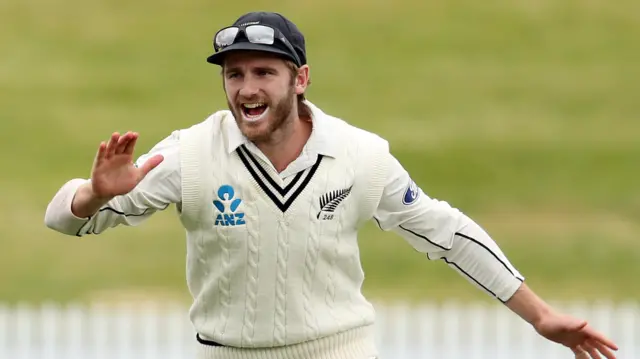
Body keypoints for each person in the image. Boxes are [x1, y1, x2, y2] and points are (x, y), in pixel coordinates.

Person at [44, 11, 618, 359]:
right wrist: (97, 194)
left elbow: (444, 232)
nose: (246, 88)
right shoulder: (192, 151)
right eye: (234, 73)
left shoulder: (360, 155)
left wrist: (541, 315)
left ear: (300, 78)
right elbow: (63, 218)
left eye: (264, 72)